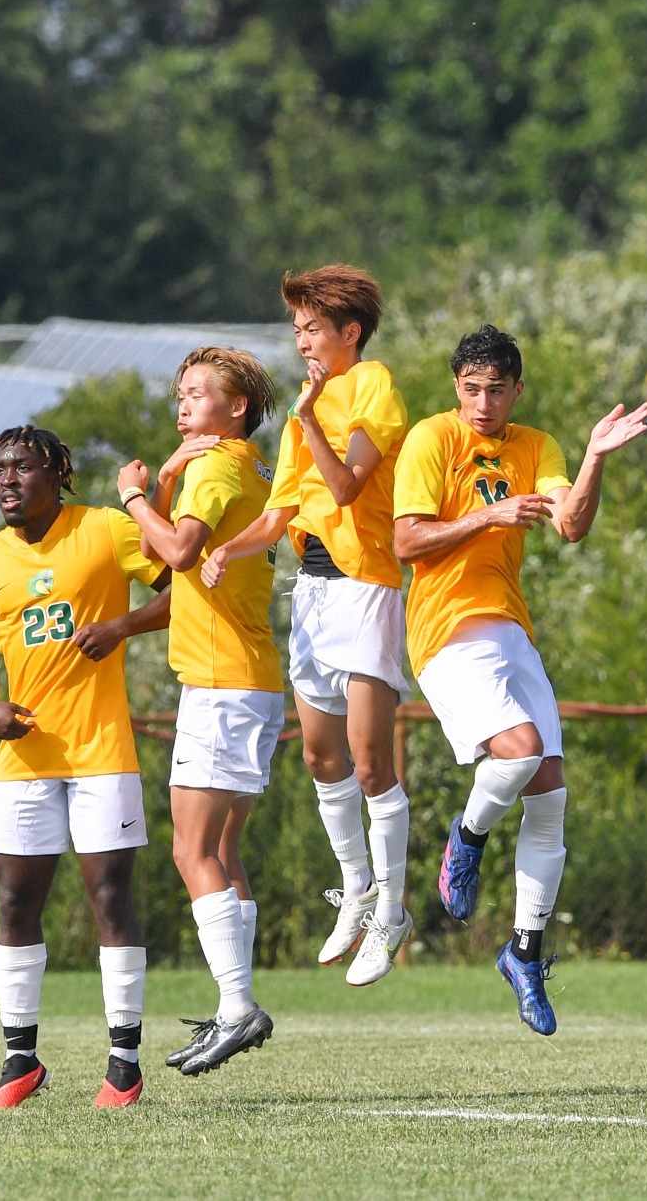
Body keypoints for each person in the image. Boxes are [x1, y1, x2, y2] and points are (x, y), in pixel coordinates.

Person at [391, 324, 647, 1035]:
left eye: (496, 389)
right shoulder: (431, 439)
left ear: (517, 390)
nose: (483, 402)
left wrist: (596, 456)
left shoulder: (536, 445)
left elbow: (570, 525)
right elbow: (407, 540)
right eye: (471, 388)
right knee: (521, 748)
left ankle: (524, 951)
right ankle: (469, 833)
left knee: (550, 792)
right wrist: (489, 515)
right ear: (456, 387)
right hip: (444, 630)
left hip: (510, 629)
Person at [202, 266, 414, 987]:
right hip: (314, 594)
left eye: (312, 327)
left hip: (367, 588)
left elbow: (349, 484)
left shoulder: (371, 385)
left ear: (348, 332)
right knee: (322, 758)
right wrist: (228, 548)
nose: (302, 340)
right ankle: (356, 889)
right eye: (296, 328)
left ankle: (392, 910)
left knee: (368, 758)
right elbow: (278, 514)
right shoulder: (303, 408)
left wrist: (312, 415)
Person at [0, 425, 172, 1109]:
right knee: (15, 902)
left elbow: (183, 591)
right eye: (0, 470)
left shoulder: (106, 530)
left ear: (59, 472)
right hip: (24, 759)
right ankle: (20, 1060)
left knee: (110, 898)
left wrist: (122, 626)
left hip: (101, 750)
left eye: (23, 466)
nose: (8, 480)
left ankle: (124, 1064)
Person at [114, 346, 281, 1076]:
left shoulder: (217, 466)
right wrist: (176, 470)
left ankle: (239, 1007)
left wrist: (134, 497)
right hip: (246, 680)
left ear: (236, 406)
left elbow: (179, 552)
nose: (183, 404)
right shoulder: (234, 465)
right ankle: (232, 1002)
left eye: (198, 393)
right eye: (179, 393)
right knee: (223, 852)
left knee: (191, 851)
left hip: (220, 682)